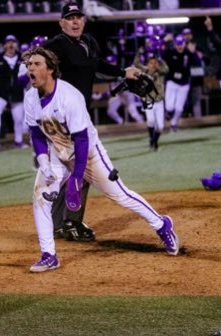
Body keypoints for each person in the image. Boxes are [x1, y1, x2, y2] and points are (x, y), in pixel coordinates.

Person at [23, 46, 179, 272]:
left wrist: (76, 178)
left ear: (50, 69)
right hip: (58, 152)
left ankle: (161, 224)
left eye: (36, 64)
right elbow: (36, 134)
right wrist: (45, 163)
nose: (31, 68)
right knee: (40, 197)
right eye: (29, 64)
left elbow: (82, 139)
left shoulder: (69, 96)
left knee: (120, 195)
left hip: (88, 153)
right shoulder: (30, 97)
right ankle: (49, 255)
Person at [43, 1, 142, 242]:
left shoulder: (88, 42)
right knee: (82, 172)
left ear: (84, 20)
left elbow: (94, 66)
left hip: (79, 117)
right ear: (62, 23)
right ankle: (70, 223)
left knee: (71, 173)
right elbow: (54, 61)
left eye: (78, 17)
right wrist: (121, 71)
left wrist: (122, 73)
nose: (75, 21)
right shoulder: (57, 44)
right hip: (61, 119)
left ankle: (60, 224)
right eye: (70, 17)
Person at [0, 35, 27, 149]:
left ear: (16, 44)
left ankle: (18, 141)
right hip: (1, 93)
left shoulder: (22, 60)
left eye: (13, 42)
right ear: (4, 45)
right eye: (8, 42)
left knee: (18, 119)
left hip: (17, 93)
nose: (11, 44)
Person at [162, 34, 197, 131]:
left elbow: (197, 62)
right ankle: (168, 113)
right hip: (172, 81)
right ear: (174, 44)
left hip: (184, 83)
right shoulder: (170, 52)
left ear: (184, 44)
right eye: (177, 44)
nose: (179, 46)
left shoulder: (188, 53)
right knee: (169, 106)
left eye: (181, 44)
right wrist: (164, 41)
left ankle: (173, 124)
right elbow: (160, 55)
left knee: (179, 108)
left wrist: (193, 53)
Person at [134, 54, 169, 151]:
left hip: (159, 102)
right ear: (147, 64)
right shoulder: (144, 72)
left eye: (155, 63)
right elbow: (136, 64)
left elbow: (166, 69)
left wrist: (161, 61)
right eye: (151, 63)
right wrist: (139, 53)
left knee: (160, 126)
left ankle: (154, 141)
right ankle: (151, 139)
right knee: (151, 121)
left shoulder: (160, 72)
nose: (153, 65)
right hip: (148, 101)